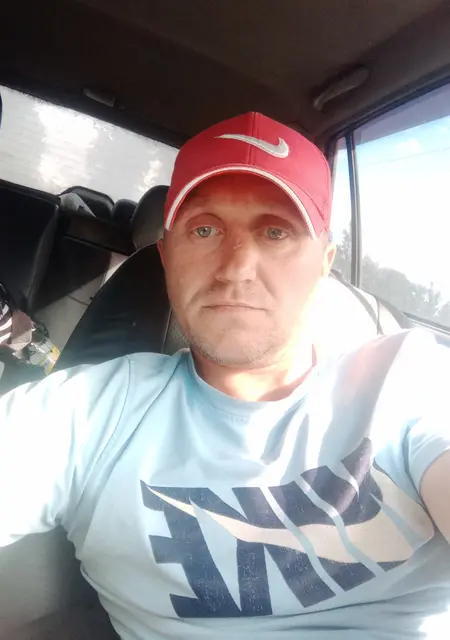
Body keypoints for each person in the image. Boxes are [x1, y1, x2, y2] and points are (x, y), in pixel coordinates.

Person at [0, 112, 449, 640]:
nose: (236, 267)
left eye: (276, 232)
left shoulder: (407, 379)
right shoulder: (91, 413)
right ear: (166, 255)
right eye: (205, 229)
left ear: (324, 262)